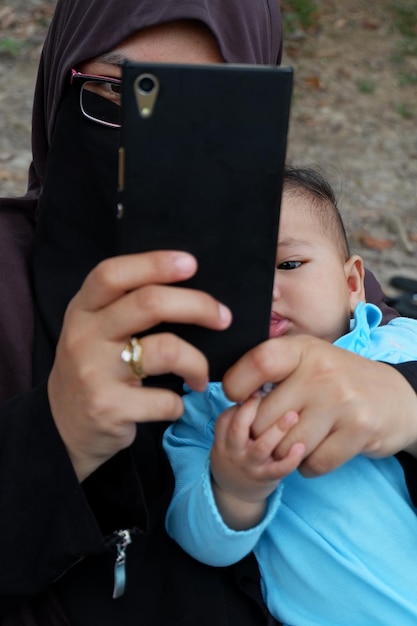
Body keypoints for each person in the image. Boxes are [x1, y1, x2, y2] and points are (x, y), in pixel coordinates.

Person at [0, 0, 417, 623]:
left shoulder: (297, 260)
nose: (149, 145)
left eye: (204, 104)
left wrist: (404, 401)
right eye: (122, 93)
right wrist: (52, 437)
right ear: (60, 81)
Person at [164, 167, 417, 625]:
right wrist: (235, 489)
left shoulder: (398, 341)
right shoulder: (207, 410)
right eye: (229, 276)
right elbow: (200, 542)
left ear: (352, 284)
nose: (262, 289)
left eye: (288, 265)